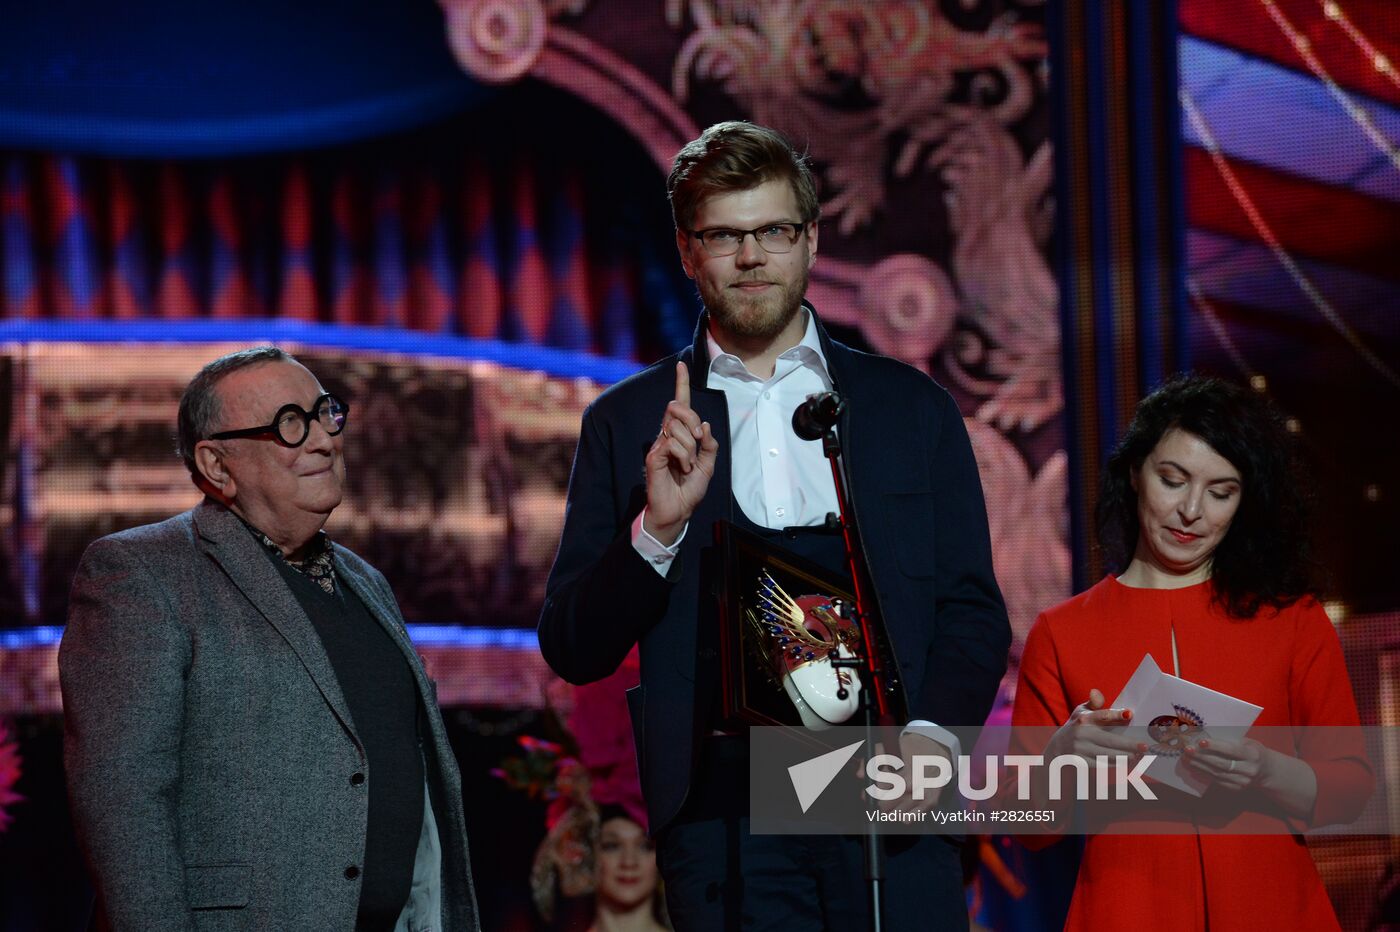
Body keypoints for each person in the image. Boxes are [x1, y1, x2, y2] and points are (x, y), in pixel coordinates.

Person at [538, 121, 1010, 930]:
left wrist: (931, 744)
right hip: (728, 823)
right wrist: (658, 528)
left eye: (773, 231)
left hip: (889, 804)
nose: (752, 256)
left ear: (811, 239)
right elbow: (574, 645)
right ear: (688, 251)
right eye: (725, 235)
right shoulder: (630, 423)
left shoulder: (909, 409)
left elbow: (970, 608)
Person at [60, 347, 479, 931]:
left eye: (325, 413)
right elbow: (122, 805)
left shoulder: (367, 582)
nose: (323, 440)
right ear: (217, 465)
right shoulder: (143, 573)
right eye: (290, 424)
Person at [1012, 373, 1373, 930]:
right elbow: (1028, 828)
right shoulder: (1062, 631)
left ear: (1244, 501)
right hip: (1125, 911)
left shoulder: (1293, 620)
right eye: (1173, 480)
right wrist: (1061, 754)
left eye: (1220, 492)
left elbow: (1352, 793)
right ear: (1135, 474)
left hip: (1274, 910)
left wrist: (1266, 769)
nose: (1191, 511)